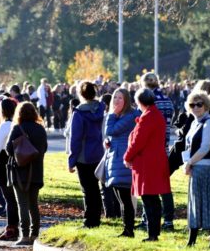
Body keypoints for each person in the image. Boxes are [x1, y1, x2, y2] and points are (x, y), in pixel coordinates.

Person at [124, 88, 171, 242]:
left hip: (146, 163)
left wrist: (127, 157)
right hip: (155, 161)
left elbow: (138, 142)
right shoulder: (155, 114)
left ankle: (152, 233)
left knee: (149, 199)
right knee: (153, 199)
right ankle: (154, 232)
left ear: (139, 102)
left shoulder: (147, 117)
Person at [5, 102, 48, 246]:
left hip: (20, 171)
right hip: (36, 171)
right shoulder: (41, 129)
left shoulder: (18, 128)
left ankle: (24, 235)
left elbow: (8, 149)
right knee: (33, 204)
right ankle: (34, 234)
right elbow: (44, 148)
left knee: (22, 204)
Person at [138, 72, 175, 231]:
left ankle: (148, 219)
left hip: (151, 148)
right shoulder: (167, 101)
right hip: (164, 147)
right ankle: (168, 220)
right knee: (164, 185)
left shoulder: (149, 101)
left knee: (149, 188)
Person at [183, 91, 210, 248]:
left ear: (206, 105)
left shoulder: (209, 122)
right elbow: (188, 145)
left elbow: (205, 147)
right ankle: (191, 242)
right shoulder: (194, 123)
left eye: (199, 104)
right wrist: (188, 163)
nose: (196, 107)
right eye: (192, 104)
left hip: (205, 168)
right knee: (194, 204)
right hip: (195, 168)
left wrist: (190, 162)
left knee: (208, 204)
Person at [68, 81, 106, 228]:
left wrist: (71, 161)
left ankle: (90, 220)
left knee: (87, 190)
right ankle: (96, 217)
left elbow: (75, 138)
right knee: (96, 189)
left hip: (83, 156)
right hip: (98, 153)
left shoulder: (78, 113)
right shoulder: (101, 109)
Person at [104, 88, 140, 237]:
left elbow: (111, 130)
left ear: (126, 100)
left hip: (123, 162)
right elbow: (112, 136)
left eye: (120, 98)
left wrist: (111, 114)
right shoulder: (120, 116)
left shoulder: (129, 116)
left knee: (125, 198)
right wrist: (108, 142)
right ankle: (127, 228)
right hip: (116, 160)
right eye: (114, 98)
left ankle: (129, 230)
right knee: (121, 198)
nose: (116, 101)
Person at [0, 98, 18, 241]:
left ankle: (11, 228)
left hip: (3, 164)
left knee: (9, 199)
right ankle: (15, 226)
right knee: (14, 199)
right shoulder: (18, 123)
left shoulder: (5, 125)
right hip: (16, 164)